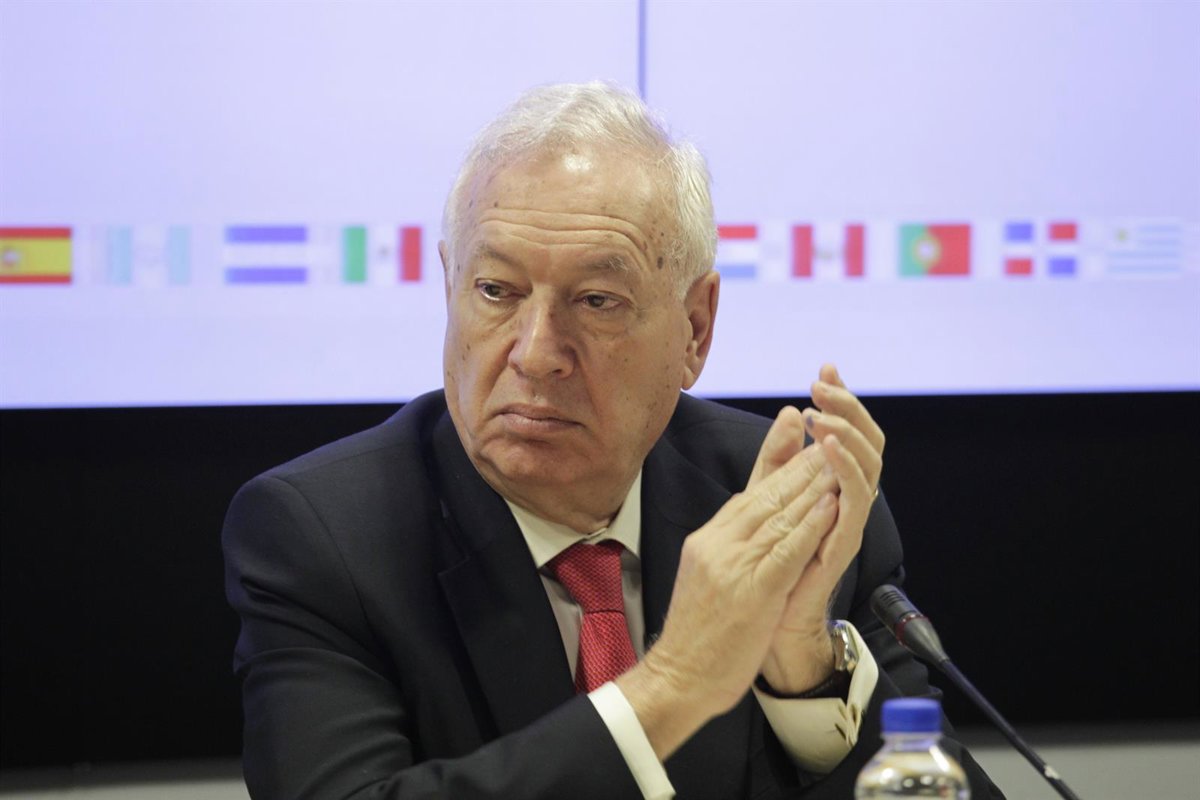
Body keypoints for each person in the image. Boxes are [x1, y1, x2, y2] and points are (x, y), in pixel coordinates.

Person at [223, 81, 1001, 799]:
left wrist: (804, 673)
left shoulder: (778, 509)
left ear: (695, 329)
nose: (535, 353)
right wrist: (675, 683)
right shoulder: (325, 540)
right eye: (495, 290)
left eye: (596, 300)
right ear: (449, 287)